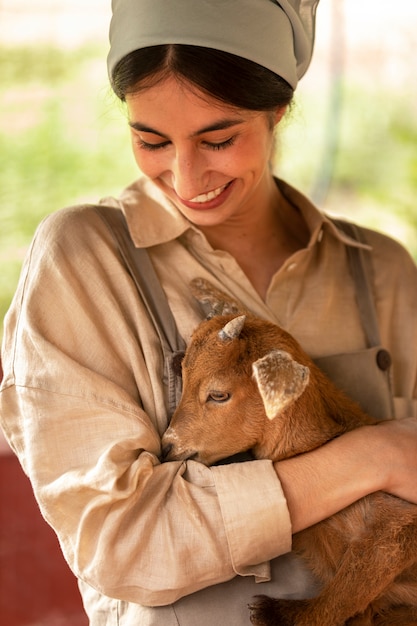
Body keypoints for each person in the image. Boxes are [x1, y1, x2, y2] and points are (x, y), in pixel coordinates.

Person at [1, 1, 417, 624]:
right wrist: (373, 457)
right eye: (150, 139)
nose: (186, 174)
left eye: (218, 139)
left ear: (278, 109)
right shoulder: (85, 260)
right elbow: (123, 544)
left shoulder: (380, 270)